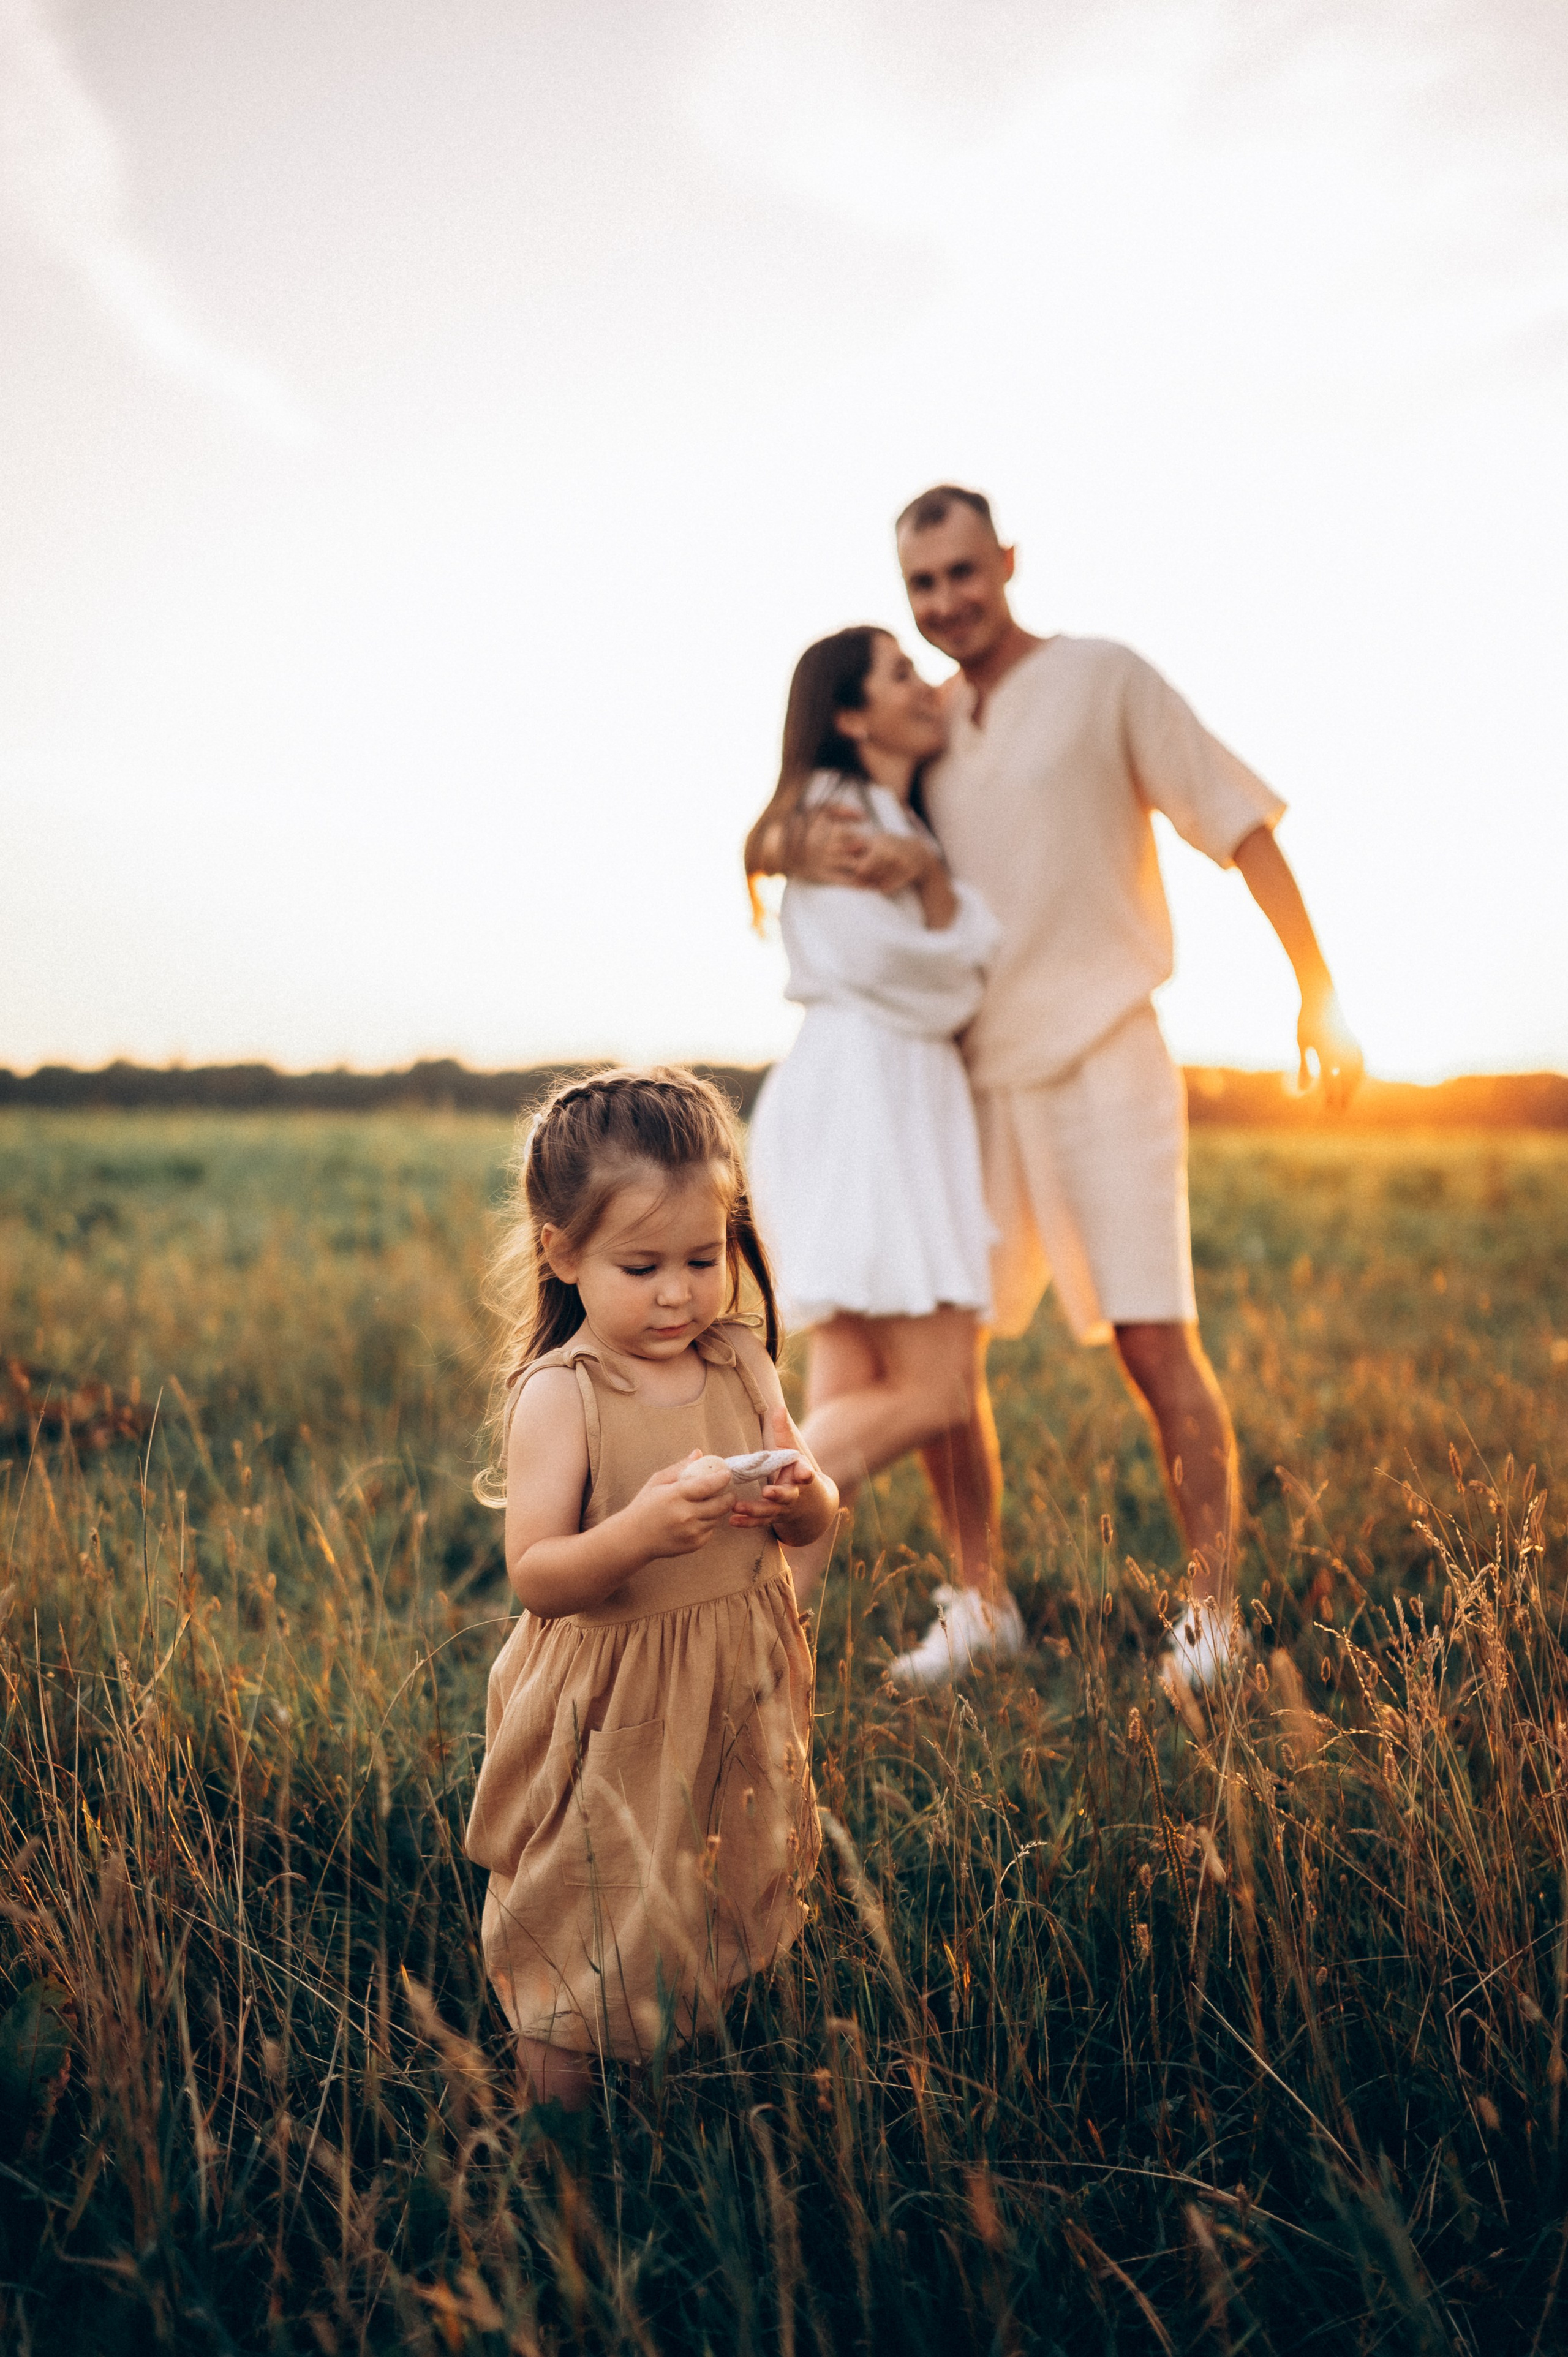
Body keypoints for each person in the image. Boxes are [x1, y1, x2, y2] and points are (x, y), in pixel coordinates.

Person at [769, 486, 1363, 1692]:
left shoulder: (1103, 679)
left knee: (1151, 1338)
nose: (944, 603)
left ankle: (1206, 1615)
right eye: (921, 586)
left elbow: (1236, 823)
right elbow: (808, 795)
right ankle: (978, 1599)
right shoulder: (922, 718)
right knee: (951, 1360)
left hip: (1102, 1051)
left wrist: (1314, 988)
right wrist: (785, 844)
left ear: (1004, 561)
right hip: (968, 1083)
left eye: (961, 573)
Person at [464, 1068, 836, 2110]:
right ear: (563, 1253)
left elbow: (821, 1515)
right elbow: (537, 1574)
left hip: (730, 1682)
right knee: (586, 1908)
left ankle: (680, 2092)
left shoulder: (742, 1365)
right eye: (642, 1266)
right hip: (614, 1707)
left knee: (709, 1887)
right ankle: (566, 2143)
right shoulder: (561, 1395)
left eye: (703, 1258)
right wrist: (637, 1532)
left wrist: (802, 1499)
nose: (679, 1291)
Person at [743, 626, 1025, 1689]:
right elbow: (936, 983)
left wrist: (936, 889)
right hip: (876, 1098)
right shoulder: (835, 816)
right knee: (940, 1387)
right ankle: (747, 1506)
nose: (925, 686)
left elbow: (926, 972)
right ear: (854, 715)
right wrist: (955, 915)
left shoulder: (886, 816)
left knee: (857, 1376)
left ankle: (761, 1650)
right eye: (901, 674)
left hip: (870, 1091)